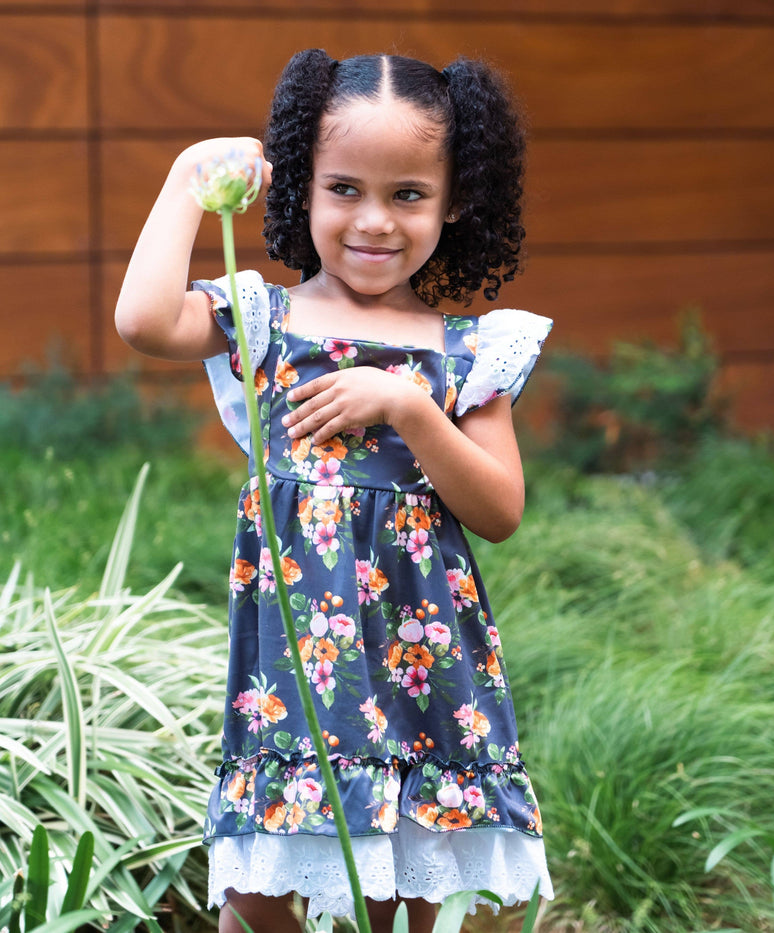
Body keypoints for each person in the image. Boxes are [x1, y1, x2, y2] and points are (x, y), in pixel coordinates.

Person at [116, 49, 554, 933]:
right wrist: (184, 182)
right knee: (261, 890)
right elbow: (143, 320)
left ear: (455, 200)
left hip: (420, 662)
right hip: (298, 667)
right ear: (302, 189)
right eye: (344, 188)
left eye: (408, 195)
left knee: (406, 888)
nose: (374, 222)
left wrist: (410, 408)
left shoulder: (468, 350)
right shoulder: (265, 321)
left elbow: (500, 510)